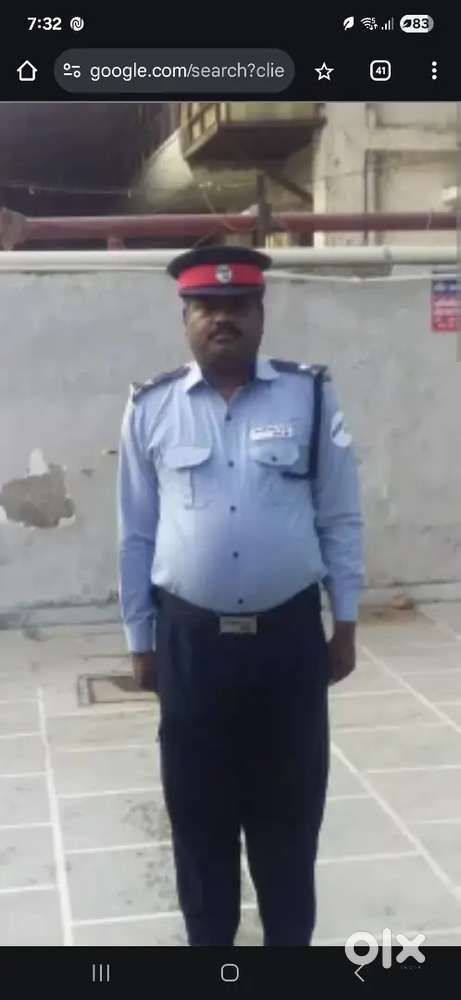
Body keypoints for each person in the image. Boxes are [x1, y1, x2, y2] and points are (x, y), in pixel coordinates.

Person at [116, 244, 364, 946]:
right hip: (190, 645)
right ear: (185, 319)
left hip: (287, 643)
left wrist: (345, 621)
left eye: (237, 305)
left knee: (290, 814)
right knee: (198, 817)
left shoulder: (309, 395)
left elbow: (339, 516)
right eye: (206, 307)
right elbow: (134, 532)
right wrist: (139, 638)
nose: (222, 319)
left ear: (260, 313)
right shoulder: (151, 406)